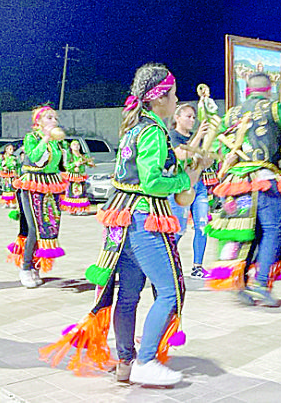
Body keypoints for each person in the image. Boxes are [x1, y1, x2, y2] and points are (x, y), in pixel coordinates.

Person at [41, 63, 210, 386]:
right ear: (159, 98)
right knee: (171, 291)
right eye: (173, 96)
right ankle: (146, 361)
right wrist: (180, 180)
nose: (176, 102)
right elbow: (151, 181)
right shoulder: (153, 131)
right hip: (145, 218)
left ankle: (126, 362)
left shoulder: (134, 129)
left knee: (129, 294)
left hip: (122, 221)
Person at [205, 72, 281, 307]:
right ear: (269, 89)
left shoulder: (232, 113)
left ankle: (239, 281)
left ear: (247, 90)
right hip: (264, 178)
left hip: (236, 182)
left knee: (247, 231)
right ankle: (260, 281)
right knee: (272, 230)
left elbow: (220, 144)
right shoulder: (274, 108)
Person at [7, 105, 67, 287]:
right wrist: (46, 138)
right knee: (34, 227)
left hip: (51, 185)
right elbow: (34, 158)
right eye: (49, 118)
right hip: (32, 184)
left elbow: (60, 165)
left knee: (48, 227)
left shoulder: (58, 142)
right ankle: (25, 267)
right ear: (38, 122)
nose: (53, 121)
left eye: (55, 118)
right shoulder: (31, 138)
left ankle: (35, 266)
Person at [167, 104, 212, 278]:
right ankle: (167, 263)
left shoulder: (196, 137)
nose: (192, 120)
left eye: (194, 117)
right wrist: (199, 135)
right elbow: (182, 155)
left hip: (198, 185)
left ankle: (197, 266)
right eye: (188, 116)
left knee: (202, 226)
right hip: (180, 187)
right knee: (178, 229)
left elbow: (204, 160)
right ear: (177, 118)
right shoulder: (173, 136)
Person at [61, 139, 95, 215]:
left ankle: (81, 209)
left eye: (78, 145)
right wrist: (74, 164)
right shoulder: (69, 156)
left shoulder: (83, 156)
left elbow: (89, 164)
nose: (76, 146)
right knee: (72, 193)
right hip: (72, 176)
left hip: (81, 176)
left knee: (81, 193)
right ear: (71, 147)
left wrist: (89, 163)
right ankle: (73, 209)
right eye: (74, 145)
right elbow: (66, 166)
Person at [0, 143, 19, 208]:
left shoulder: (14, 158)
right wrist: (3, 168)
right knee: (5, 188)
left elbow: (18, 165)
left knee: (12, 188)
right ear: (6, 150)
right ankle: (6, 202)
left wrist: (17, 172)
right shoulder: (2, 157)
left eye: (12, 149)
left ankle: (12, 202)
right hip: (5, 175)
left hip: (12, 175)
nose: (11, 151)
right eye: (10, 149)